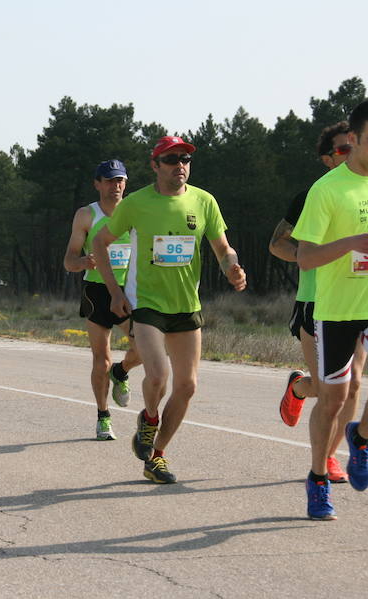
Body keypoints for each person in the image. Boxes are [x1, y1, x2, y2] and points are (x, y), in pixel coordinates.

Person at [93, 136, 246, 484]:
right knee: (158, 375)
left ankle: (156, 456)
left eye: (186, 159)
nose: (181, 165)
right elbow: (100, 244)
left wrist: (233, 268)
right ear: (155, 165)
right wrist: (115, 292)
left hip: (186, 307)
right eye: (172, 159)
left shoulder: (204, 201)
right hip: (147, 304)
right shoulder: (136, 204)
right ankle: (149, 418)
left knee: (188, 386)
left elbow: (223, 248)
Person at [293, 98, 368, 520]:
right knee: (333, 399)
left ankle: (361, 437)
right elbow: (304, 257)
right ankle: (318, 478)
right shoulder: (327, 190)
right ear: (353, 139)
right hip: (337, 311)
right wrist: (350, 244)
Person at [269, 121, 366, 483]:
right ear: (327, 159)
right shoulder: (312, 196)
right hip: (316, 300)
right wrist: (312, 255)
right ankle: (298, 387)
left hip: (360, 299)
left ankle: (327, 458)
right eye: (341, 150)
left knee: (353, 383)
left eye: (352, 146)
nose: (349, 154)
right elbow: (277, 243)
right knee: (328, 389)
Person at [63, 159, 142, 440]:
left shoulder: (135, 211)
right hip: (96, 292)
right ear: (97, 184)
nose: (115, 186)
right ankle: (103, 416)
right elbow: (68, 261)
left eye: (120, 180)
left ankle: (121, 372)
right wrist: (83, 261)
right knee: (101, 360)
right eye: (109, 180)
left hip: (129, 290)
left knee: (145, 349)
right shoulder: (87, 215)